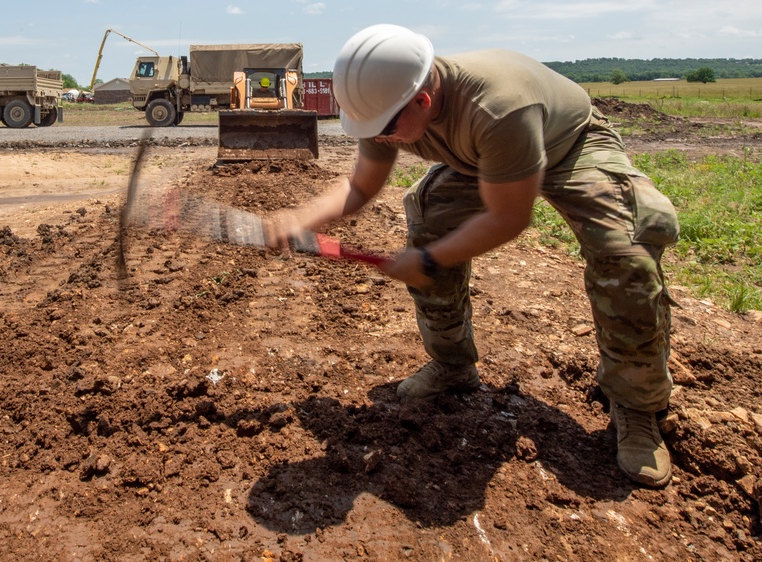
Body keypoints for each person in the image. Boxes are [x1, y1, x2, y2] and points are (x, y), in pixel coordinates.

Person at [268, 24, 679, 488]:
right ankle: (452, 365)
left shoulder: (495, 107)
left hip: (569, 146)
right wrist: (300, 218)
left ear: (422, 100)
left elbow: (509, 217)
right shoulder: (384, 106)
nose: (379, 139)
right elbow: (361, 185)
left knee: (625, 256)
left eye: (384, 131)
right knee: (431, 229)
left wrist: (425, 261)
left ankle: (637, 407)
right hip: (484, 160)